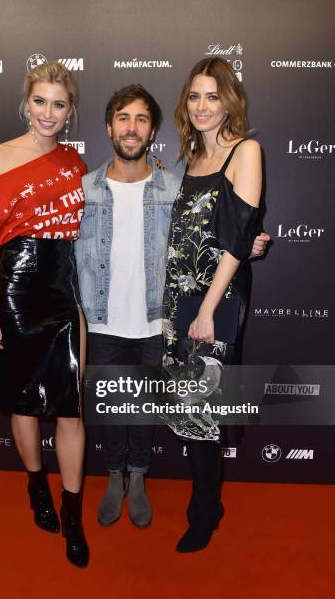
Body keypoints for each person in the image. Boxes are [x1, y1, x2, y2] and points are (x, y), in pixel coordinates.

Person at [75, 83, 268, 530]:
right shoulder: (85, 189)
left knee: (142, 407)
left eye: (141, 119)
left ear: (153, 130)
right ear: (109, 126)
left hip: (155, 320)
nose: (131, 127)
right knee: (111, 407)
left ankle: (138, 480)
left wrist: (251, 244)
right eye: (123, 117)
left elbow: (213, 228)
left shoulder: (173, 185)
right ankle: (114, 479)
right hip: (103, 320)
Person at [0, 61, 89, 568]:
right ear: (27, 102)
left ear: (70, 111)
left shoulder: (74, 163)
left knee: (71, 407)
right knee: (24, 403)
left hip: (63, 289)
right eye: (40, 101)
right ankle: (37, 487)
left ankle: (74, 514)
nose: (48, 113)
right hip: (16, 289)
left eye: (58, 105)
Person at [163, 57, 263, 553]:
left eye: (213, 96)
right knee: (187, 407)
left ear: (229, 101)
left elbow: (235, 239)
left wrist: (208, 309)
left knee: (201, 409)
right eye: (195, 96)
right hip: (180, 296)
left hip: (214, 301)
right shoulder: (192, 158)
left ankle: (204, 512)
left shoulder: (245, 151)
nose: (202, 106)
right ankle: (208, 499)